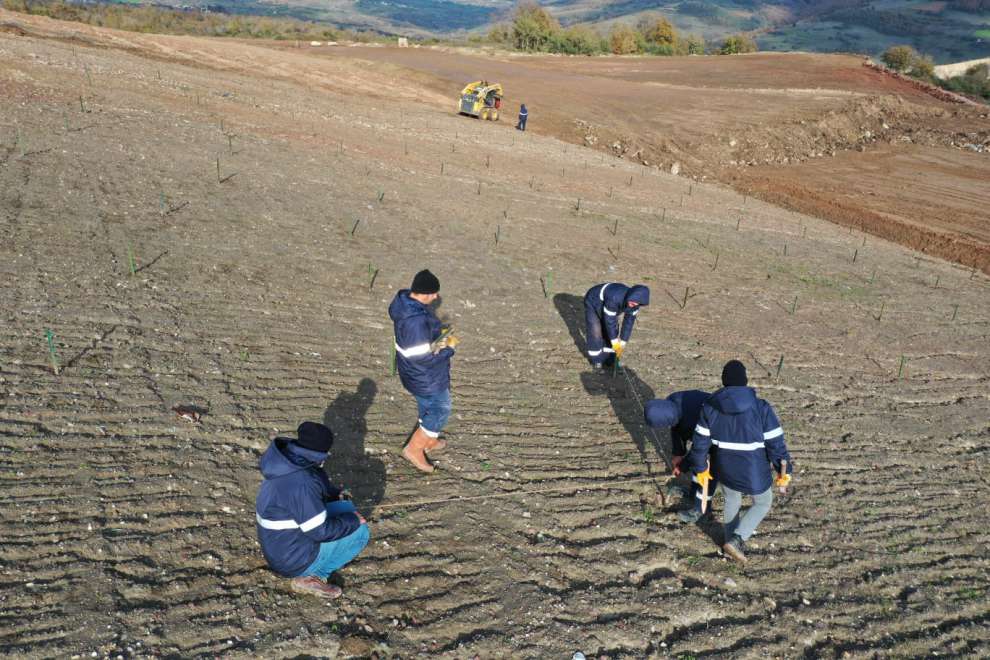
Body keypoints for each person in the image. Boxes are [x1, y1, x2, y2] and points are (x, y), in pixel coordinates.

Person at [685, 360, 793, 563]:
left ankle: (728, 542)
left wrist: (700, 468)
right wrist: (783, 469)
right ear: (745, 381)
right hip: (753, 469)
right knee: (763, 502)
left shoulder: (709, 407)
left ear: (723, 382)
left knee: (732, 498)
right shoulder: (761, 407)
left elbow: (700, 444)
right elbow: (775, 443)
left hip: (724, 466)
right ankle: (737, 539)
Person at [255, 422, 370, 599]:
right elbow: (319, 531)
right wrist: (352, 521)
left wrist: (334, 495)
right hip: (290, 559)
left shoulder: (289, 462)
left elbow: (317, 485)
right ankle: (311, 577)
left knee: (346, 507)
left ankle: (310, 568)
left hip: (278, 543)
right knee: (360, 532)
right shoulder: (302, 482)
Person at [388, 269, 458, 473]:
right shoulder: (415, 321)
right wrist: (448, 349)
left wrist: (438, 335)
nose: (436, 297)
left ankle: (429, 438)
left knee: (427, 406)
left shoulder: (405, 304)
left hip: (414, 373)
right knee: (440, 408)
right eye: (434, 293)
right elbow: (422, 357)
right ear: (424, 293)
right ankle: (414, 449)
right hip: (425, 376)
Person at [644, 389, 714, 523]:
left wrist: (682, 465)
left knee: (707, 469)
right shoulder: (672, 401)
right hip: (701, 429)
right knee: (697, 464)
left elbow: (699, 449)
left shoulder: (695, 418)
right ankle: (694, 493)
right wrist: (678, 453)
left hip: (721, 433)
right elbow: (676, 428)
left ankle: (701, 510)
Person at [583, 282, 650, 368]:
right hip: (593, 300)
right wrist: (614, 341)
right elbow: (609, 321)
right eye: (633, 301)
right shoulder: (615, 297)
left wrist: (622, 342)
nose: (634, 304)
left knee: (612, 332)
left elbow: (628, 323)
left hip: (610, 304)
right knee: (595, 330)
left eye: (637, 303)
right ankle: (597, 360)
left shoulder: (635, 304)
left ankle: (610, 360)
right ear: (630, 295)